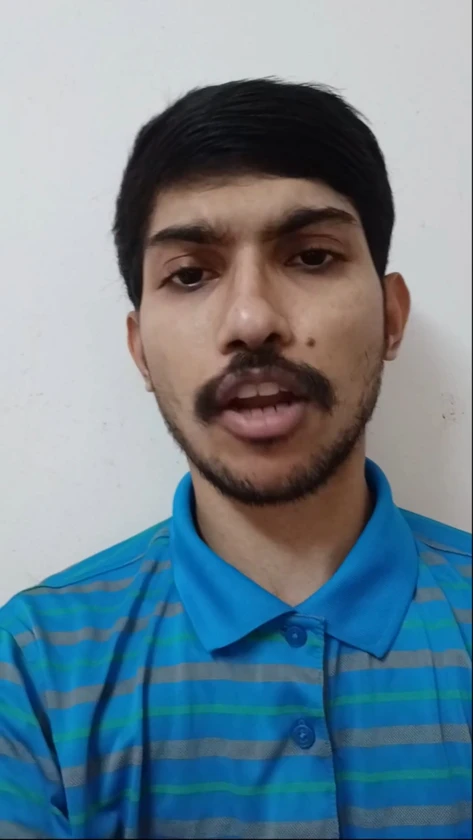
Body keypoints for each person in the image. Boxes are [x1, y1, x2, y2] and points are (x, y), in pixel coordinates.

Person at [0, 78, 471, 840]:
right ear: (139, 351)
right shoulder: (33, 666)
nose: (251, 320)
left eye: (311, 256)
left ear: (390, 318)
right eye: (189, 274)